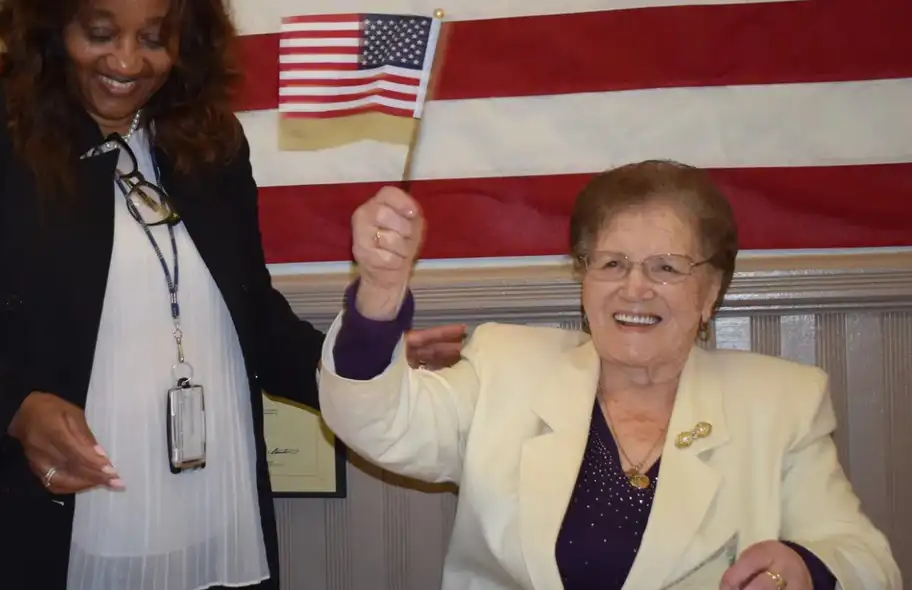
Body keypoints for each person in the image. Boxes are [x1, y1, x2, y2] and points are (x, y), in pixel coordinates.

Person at [0, 1, 465, 589]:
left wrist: (365, 363)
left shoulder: (209, 142)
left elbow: (250, 317)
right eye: (100, 34)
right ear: (51, 27)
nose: (127, 60)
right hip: (41, 520)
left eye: (154, 38)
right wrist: (13, 410)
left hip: (208, 504)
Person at [317, 161, 902, 590]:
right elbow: (376, 422)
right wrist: (381, 292)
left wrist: (804, 571)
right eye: (612, 263)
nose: (635, 288)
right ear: (584, 277)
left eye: (667, 267)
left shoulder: (781, 402)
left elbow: (868, 561)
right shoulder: (506, 367)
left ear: (711, 293)